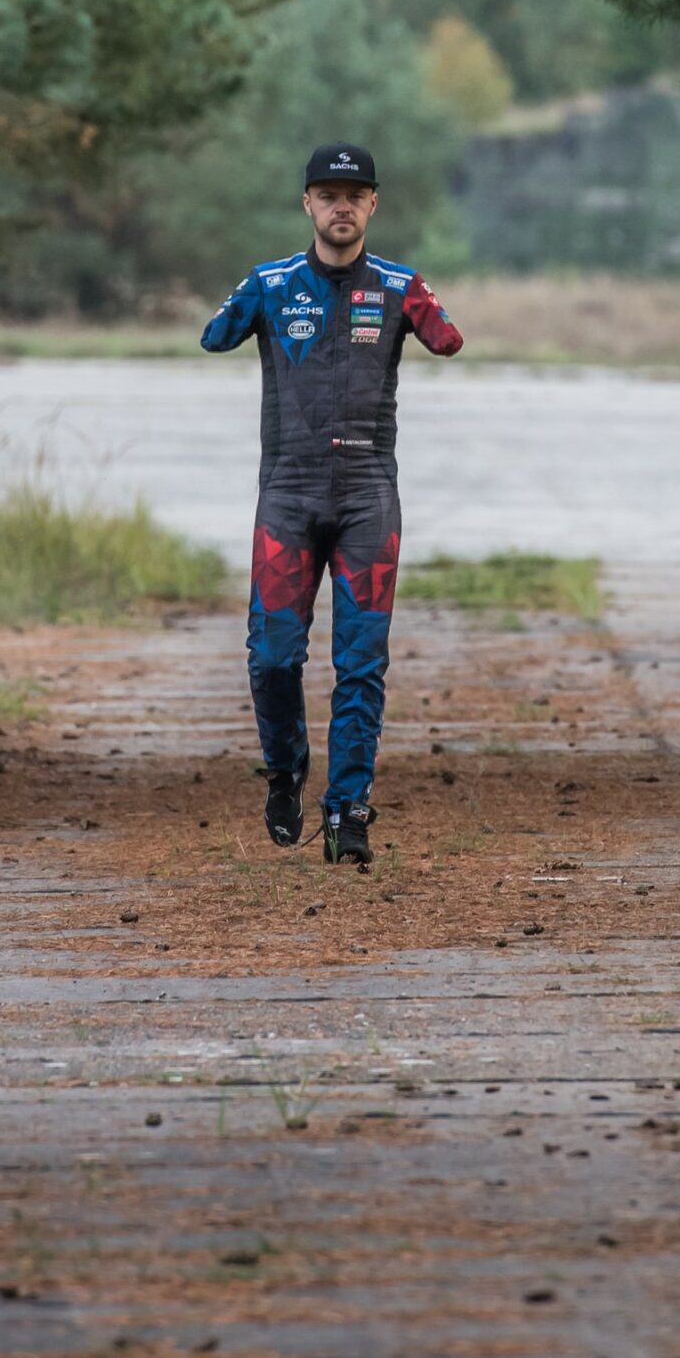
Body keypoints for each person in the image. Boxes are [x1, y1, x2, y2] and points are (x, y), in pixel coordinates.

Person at [201, 143, 464, 866]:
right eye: (326, 193)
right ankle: (285, 769)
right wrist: (248, 298)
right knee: (272, 659)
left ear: (373, 204)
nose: (340, 206)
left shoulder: (400, 286)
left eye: (354, 194)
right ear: (307, 205)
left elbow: (448, 340)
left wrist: (423, 304)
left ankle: (350, 806)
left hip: (366, 497)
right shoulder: (271, 281)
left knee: (359, 662)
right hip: (286, 494)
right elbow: (212, 337)